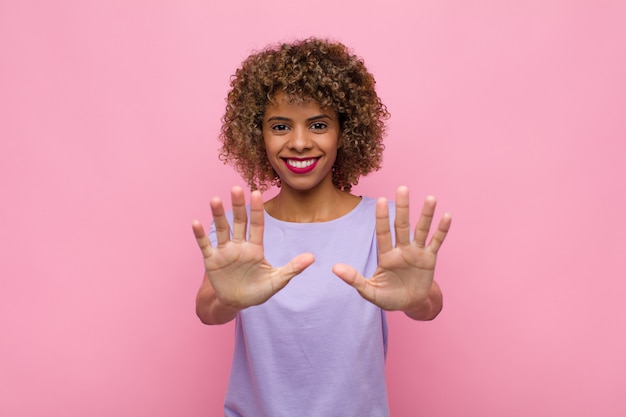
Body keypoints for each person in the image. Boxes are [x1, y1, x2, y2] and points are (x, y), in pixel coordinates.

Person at [191, 38, 452, 417]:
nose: (299, 143)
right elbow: (207, 308)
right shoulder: (241, 230)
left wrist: (417, 300)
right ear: (257, 134)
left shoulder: (381, 224)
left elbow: (428, 303)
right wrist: (227, 299)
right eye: (280, 126)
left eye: (318, 124)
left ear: (344, 132)